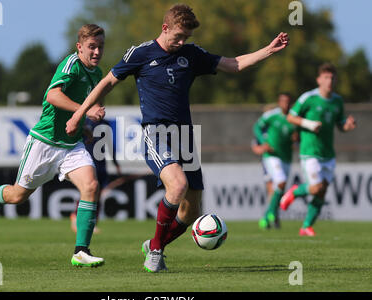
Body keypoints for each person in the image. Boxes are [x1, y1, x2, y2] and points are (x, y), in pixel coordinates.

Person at [65, 4, 289, 272]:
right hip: (156, 133)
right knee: (178, 185)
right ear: (164, 28)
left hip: (185, 136)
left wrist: (268, 50)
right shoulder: (141, 53)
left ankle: (154, 244)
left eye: (186, 38)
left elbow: (234, 64)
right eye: (178, 36)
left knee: (191, 211)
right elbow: (107, 82)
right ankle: (156, 253)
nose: (182, 42)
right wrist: (80, 114)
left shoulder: (191, 54)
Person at [0, 24, 107, 267]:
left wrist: (83, 125)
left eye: (100, 47)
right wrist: (84, 110)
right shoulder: (72, 64)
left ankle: (81, 251)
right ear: (79, 47)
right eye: (91, 47)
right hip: (45, 143)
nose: (96, 52)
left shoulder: (97, 73)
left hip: (71, 145)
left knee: (91, 185)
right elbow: (52, 95)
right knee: (17, 195)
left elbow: (79, 108)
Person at [280, 63, 356, 236]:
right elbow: (291, 116)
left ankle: (306, 226)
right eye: (326, 77)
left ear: (335, 80)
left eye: (332, 78)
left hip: (328, 153)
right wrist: (309, 124)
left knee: (322, 191)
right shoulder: (309, 98)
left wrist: (348, 125)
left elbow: (341, 125)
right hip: (310, 151)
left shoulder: (337, 101)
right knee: (315, 187)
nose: (329, 81)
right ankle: (294, 192)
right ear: (319, 79)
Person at [252, 93, 297, 229]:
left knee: (279, 188)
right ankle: (272, 214)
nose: (286, 104)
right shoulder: (272, 116)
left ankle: (267, 216)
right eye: (283, 101)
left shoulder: (294, 118)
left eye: (288, 102)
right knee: (279, 183)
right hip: (271, 157)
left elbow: (297, 137)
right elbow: (256, 128)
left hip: (286, 158)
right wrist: (264, 143)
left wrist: (296, 138)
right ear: (279, 102)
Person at [70, 118, 122, 233]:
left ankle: (92, 222)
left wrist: (115, 163)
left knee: (98, 194)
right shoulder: (84, 121)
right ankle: (77, 216)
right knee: (89, 190)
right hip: (87, 161)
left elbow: (109, 144)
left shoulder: (105, 123)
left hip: (101, 163)